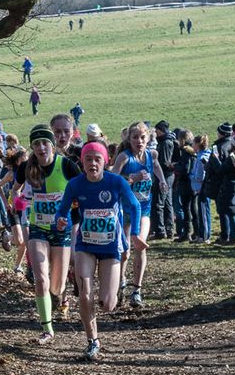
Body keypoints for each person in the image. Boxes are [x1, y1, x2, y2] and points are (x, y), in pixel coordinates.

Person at [55, 141, 144, 361]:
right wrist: (61, 221)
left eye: (97, 159)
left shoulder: (116, 182)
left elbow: (135, 205)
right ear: (82, 162)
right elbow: (62, 209)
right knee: (85, 291)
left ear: (105, 161)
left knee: (107, 304)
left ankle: (116, 289)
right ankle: (92, 340)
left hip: (111, 246)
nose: (93, 163)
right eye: (88, 159)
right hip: (86, 245)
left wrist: (135, 234)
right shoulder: (75, 184)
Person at [11, 124, 81, 344]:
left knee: (56, 286)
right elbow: (15, 190)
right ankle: (47, 329)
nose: (41, 147)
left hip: (62, 231)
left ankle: (60, 294)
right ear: (32, 147)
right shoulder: (26, 168)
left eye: (45, 143)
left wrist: (76, 213)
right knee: (40, 279)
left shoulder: (67, 166)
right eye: (36, 144)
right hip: (38, 230)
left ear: (52, 145)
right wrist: (17, 200)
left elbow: (83, 192)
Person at [109, 121, 166, 307]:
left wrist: (162, 180)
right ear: (129, 139)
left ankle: (137, 290)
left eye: (142, 137)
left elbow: (156, 166)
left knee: (141, 245)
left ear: (148, 138)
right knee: (124, 252)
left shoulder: (151, 154)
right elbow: (113, 180)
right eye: (135, 138)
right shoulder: (124, 158)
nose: (139, 141)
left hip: (144, 208)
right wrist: (131, 179)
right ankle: (121, 283)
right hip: (125, 210)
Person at [0, 145, 29, 272]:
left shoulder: (32, 172)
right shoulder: (12, 174)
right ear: (17, 161)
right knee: (20, 240)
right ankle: (9, 237)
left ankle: (17, 266)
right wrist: (6, 203)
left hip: (27, 208)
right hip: (14, 209)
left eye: (26, 159)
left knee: (24, 241)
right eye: (22, 159)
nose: (25, 161)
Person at [150, 121, 176, 239]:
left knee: (159, 203)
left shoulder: (165, 143)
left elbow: (164, 162)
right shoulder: (167, 141)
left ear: (161, 130)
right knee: (167, 202)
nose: (155, 132)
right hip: (168, 176)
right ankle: (169, 229)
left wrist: (154, 166)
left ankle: (160, 230)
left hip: (164, 176)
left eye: (156, 130)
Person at [172, 130, 196, 242]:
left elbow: (185, 169)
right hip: (193, 183)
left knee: (186, 209)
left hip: (186, 183)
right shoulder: (194, 150)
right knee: (193, 208)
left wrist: (175, 166)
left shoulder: (186, 152)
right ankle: (196, 231)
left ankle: (187, 233)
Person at [190, 134, 212, 243]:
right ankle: (202, 234)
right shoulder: (203, 155)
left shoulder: (200, 158)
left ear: (198, 144)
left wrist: (191, 176)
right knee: (203, 210)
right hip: (202, 187)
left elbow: (200, 176)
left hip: (202, 188)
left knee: (204, 211)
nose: (192, 145)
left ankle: (205, 236)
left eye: (193, 143)